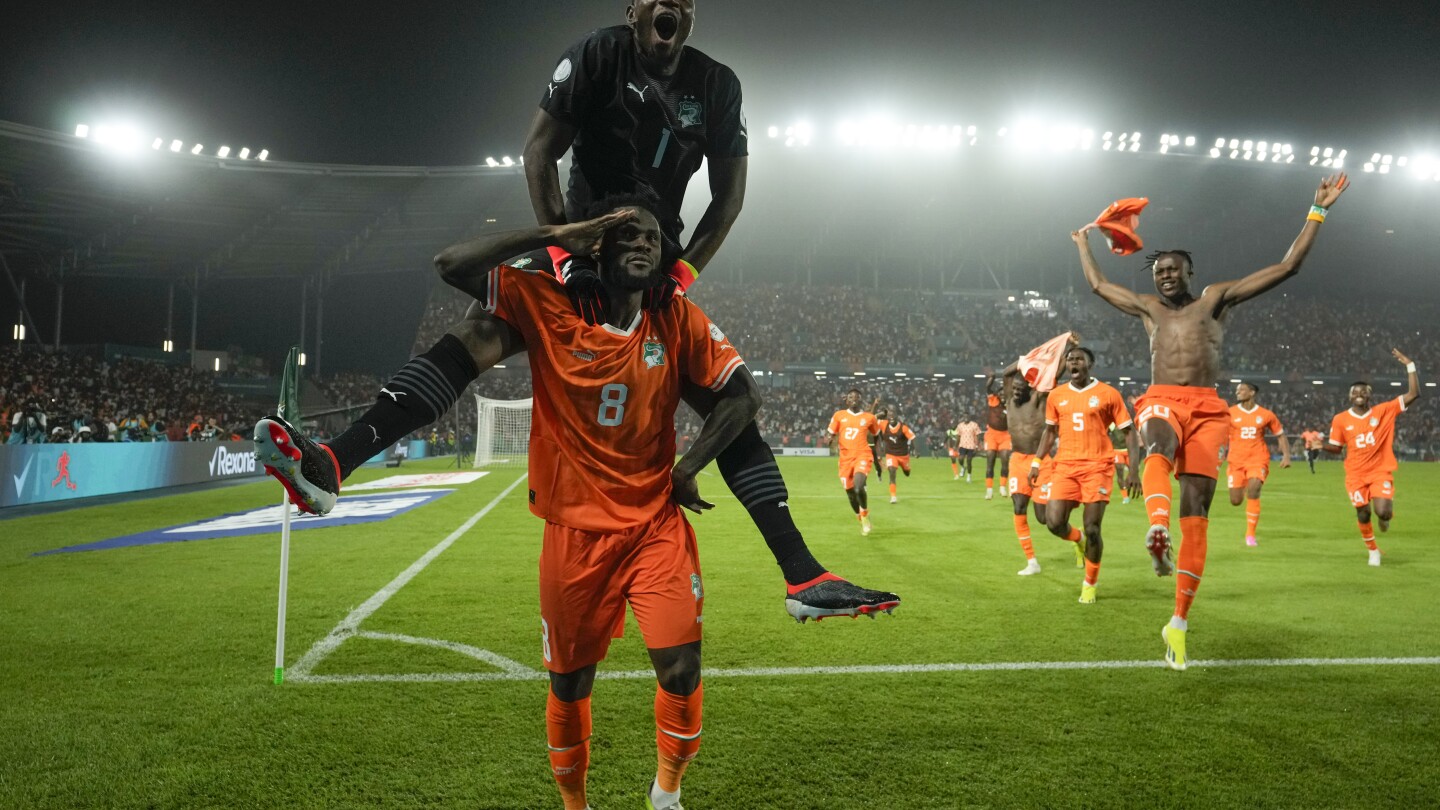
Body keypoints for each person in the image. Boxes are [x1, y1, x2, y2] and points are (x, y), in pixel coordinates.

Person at [256, 0, 898, 622]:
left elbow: (728, 200)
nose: (669, 5)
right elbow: (539, 151)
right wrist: (564, 251)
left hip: (653, 251)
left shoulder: (717, 85)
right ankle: (335, 462)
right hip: (583, 237)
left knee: (731, 400)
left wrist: (682, 271)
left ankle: (803, 574)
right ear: (633, 10)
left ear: (691, 14)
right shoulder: (599, 54)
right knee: (481, 329)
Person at [1074, 172, 1350, 670]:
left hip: (1207, 407)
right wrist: (1083, 243)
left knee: (1198, 507)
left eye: (1173, 269)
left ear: (1189, 272)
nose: (1165, 276)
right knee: (1156, 443)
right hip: (1161, 398)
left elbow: (1288, 266)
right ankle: (1158, 531)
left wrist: (1318, 211)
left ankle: (1178, 624)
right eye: (1159, 270)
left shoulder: (1216, 300)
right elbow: (1096, 285)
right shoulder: (1148, 309)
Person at [1030, 347, 1139, 602]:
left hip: (1097, 467)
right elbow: (1049, 432)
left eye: (1078, 359)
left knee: (1093, 528)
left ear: (1090, 363)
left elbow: (1130, 432)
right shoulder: (1057, 396)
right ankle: (1075, 539)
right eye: (1070, 360)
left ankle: (1089, 583)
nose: (1073, 362)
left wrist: (1134, 469)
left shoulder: (1108, 394)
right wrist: (1037, 461)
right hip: (1065, 466)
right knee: (1053, 522)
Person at [1324, 350, 1420, 566]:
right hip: (1355, 475)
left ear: (1369, 395)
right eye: (1355, 391)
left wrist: (1410, 365)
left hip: (1379, 471)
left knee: (1383, 513)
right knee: (1363, 513)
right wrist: (1320, 445)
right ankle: (1373, 551)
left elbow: (1413, 394)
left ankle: (1385, 519)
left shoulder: (1384, 411)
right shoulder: (1340, 420)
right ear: (1349, 396)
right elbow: (1336, 448)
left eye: (1363, 391)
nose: (1359, 394)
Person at [1000, 358, 1070, 576]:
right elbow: (1005, 373)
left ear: (1029, 389)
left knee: (1044, 519)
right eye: (1015, 388)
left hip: (1040, 462)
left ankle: (1077, 538)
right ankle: (1032, 562)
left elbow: (1054, 376)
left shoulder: (1039, 401)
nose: (1016, 391)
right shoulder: (1010, 402)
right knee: (1019, 507)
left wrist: (1067, 349)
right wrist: (1023, 361)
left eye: (1021, 389)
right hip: (1017, 461)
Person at [1225, 381, 1291, 547]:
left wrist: (1286, 456)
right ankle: (1246, 482)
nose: (1238, 392)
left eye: (1242, 389)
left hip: (1258, 458)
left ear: (1252, 392)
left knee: (1254, 490)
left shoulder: (1266, 414)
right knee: (1235, 500)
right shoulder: (1229, 412)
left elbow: (1280, 435)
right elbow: (1218, 434)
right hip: (1236, 461)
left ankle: (1250, 535)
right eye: (1237, 390)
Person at [826, 389, 881, 535]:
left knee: (858, 487)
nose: (854, 399)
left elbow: (876, 436)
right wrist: (829, 439)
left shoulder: (869, 417)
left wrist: (879, 455)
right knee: (850, 494)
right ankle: (861, 518)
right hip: (845, 459)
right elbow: (830, 433)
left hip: (863, 455)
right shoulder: (839, 415)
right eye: (851, 397)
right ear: (847, 400)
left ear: (861, 400)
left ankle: (865, 515)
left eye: (857, 397)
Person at [876, 408, 916, 504]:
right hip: (890, 454)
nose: (891, 417)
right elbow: (871, 418)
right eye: (889, 415)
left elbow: (913, 438)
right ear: (887, 417)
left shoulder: (903, 428)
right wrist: (879, 412)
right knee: (892, 471)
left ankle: (906, 468)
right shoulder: (883, 424)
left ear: (897, 416)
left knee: (907, 473)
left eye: (893, 414)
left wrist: (916, 451)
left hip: (903, 455)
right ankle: (893, 497)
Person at [982, 376, 1012, 499]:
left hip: (1005, 435)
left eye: (1004, 392)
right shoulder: (993, 400)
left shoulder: (1011, 405)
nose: (1002, 394)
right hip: (992, 434)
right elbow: (988, 387)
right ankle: (989, 490)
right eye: (1000, 392)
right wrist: (992, 378)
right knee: (990, 460)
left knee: (1005, 459)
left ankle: (1002, 487)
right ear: (998, 394)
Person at [955, 415, 981, 482]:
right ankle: (963, 467)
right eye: (964, 417)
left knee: (969, 461)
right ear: (963, 418)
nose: (966, 418)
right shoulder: (960, 425)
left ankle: (969, 476)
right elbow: (958, 436)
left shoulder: (974, 425)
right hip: (962, 445)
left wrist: (977, 446)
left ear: (969, 417)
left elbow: (978, 435)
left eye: (967, 417)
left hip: (971, 445)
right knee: (960, 459)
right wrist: (956, 446)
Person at [1111, 431, 1132, 505]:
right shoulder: (1111, 424)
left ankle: (1127, 486)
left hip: (1129, 451)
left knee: (1132, 472)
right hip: (1117, 451)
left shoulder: (1127, 422)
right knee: (1120, 473)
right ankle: (1125, 497)